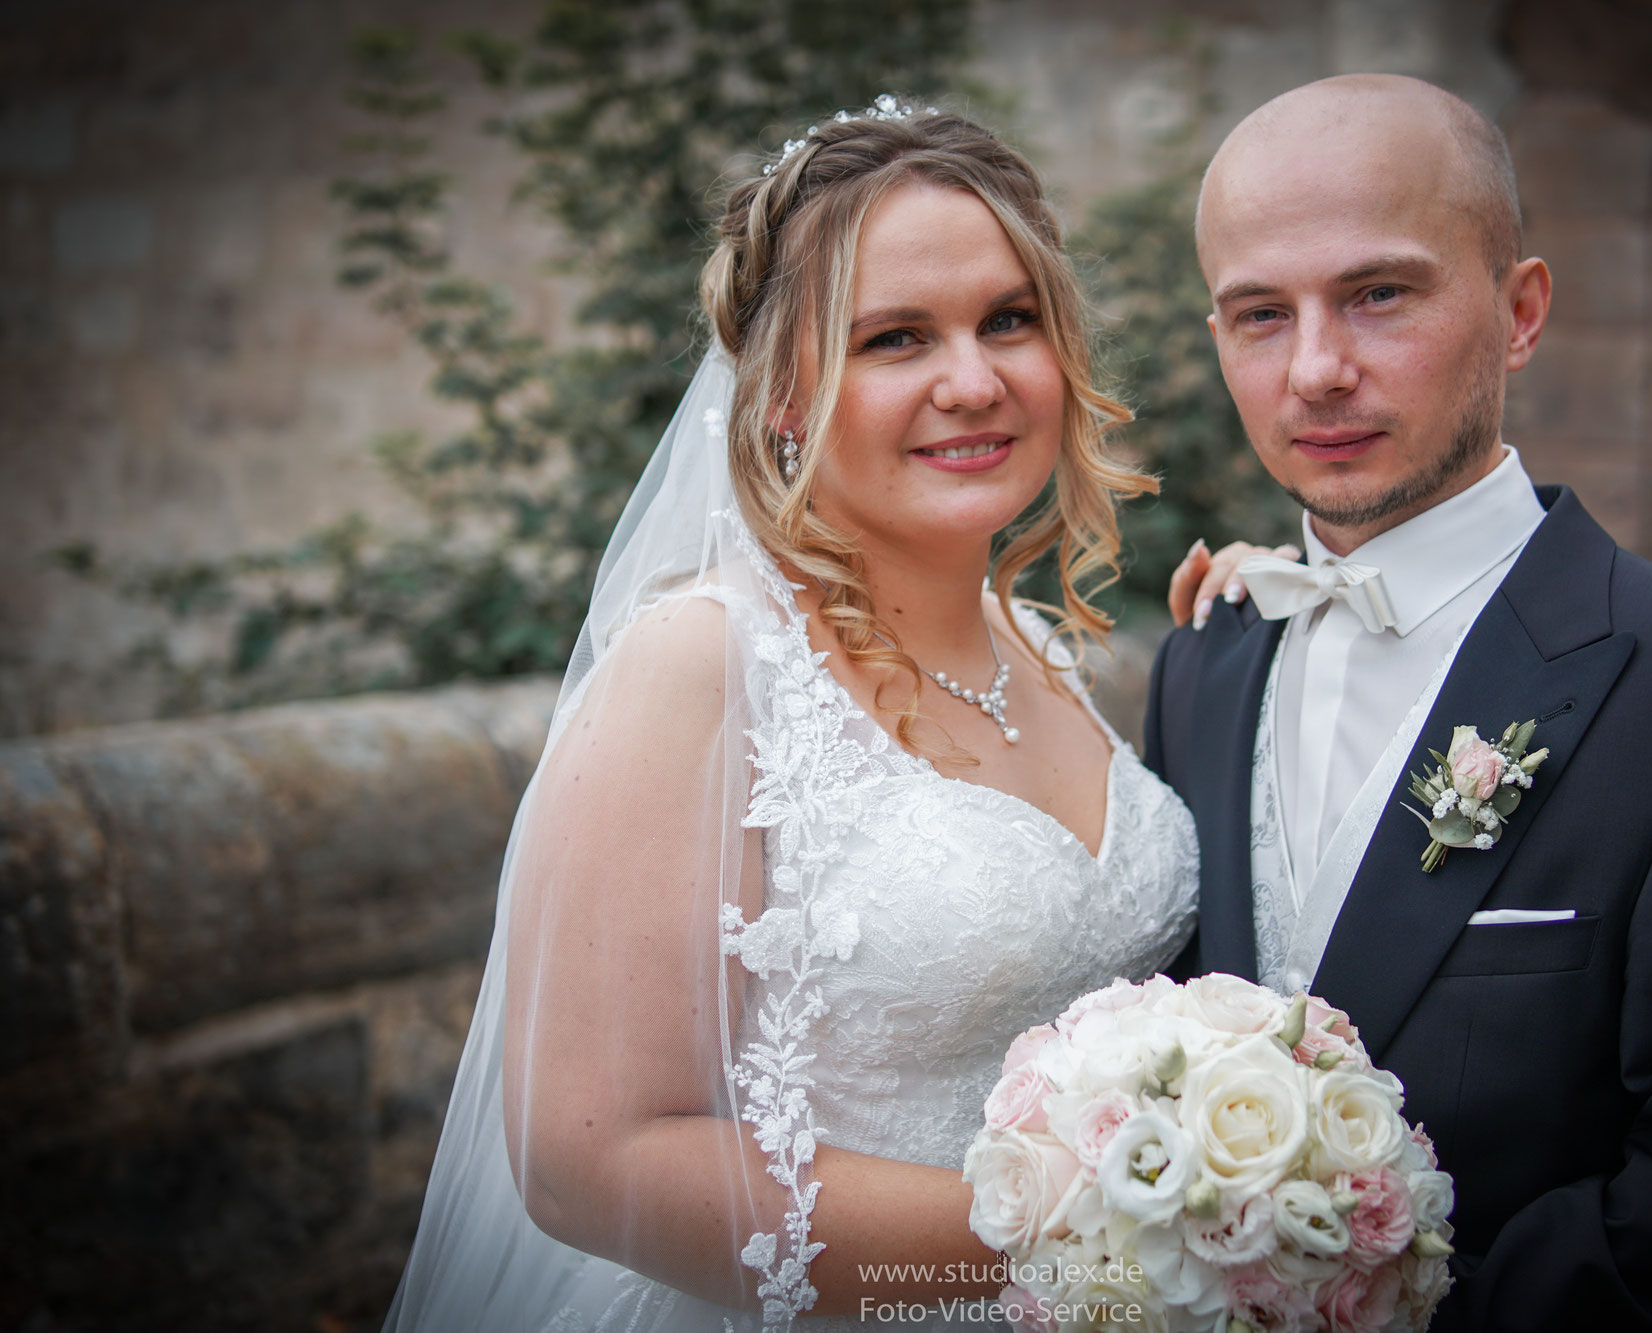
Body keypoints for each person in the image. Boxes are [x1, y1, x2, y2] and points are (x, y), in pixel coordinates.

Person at [384, 101, 1235, 1332]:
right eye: (894, 338)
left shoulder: (1044, 648)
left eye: (1009, 319)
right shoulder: (702, 663)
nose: (972, 380)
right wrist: (1095, 1255)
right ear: (781, 392)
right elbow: (585, 1160)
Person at [1146, 75, 1652, 1332]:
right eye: (1258, 313)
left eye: (1379, 294)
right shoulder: (1206, 652)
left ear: (1521, 311)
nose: (1315, 369)